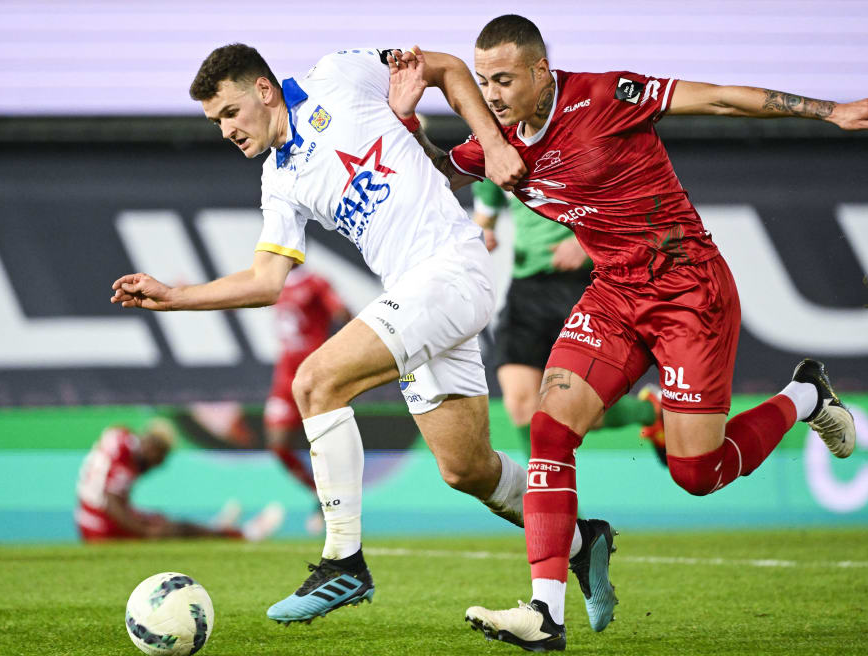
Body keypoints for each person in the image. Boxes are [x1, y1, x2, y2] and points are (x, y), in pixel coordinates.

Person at [387, 15, 868, 650]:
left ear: (541, 72)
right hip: (615, 292)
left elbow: (715, 97)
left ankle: (806, 397)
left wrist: (829, 111)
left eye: (503, 79)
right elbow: (435, 179)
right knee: (550, 426)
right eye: (483, 81)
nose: (490, 94)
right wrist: (407, 119)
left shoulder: (607, 96)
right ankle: (546, 612)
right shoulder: (499, 142)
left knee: (696, 473)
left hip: (690, 290)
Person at [110, 43, 616, 628]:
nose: (225, 130)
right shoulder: (279, 181)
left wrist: (497, 143)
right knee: (466, 469)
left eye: (229, 112)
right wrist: (176, 297)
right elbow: (267, 280)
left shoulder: (340, 74)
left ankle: (342, 561)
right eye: (215, 121)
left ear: (264, 90)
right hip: (418, 292)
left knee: (315, 382)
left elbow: (447, 66)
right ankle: (583, 541)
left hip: (450, 268)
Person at [472, 179, 667, 464]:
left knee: (574, 409)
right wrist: (482, 233)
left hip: (587, 285)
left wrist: (585, 243)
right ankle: (540, 505)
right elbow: (485, 213)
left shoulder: (584, 141)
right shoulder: (496, 147)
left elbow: (641, 208)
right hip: (525, 289)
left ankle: (649, 412)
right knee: (522, 406)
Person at [74, 418, 284, 542]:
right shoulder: (126, 455)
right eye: (161, 458)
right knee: (170, 529)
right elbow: (110, 501)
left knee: (163, 521)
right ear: (153, 448)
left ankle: (217, 529)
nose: (158, 466)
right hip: (101, 528)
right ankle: (243, 534)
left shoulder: (122, 442)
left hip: (88, 519)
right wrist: (146, 533)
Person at [265, 267, 351, 533]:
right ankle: (319, 494)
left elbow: (342, 312)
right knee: (278, 445)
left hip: (313, 372)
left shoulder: (316, 282)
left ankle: (335, 503)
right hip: (284, 377)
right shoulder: (272, 282)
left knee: (324, 439)